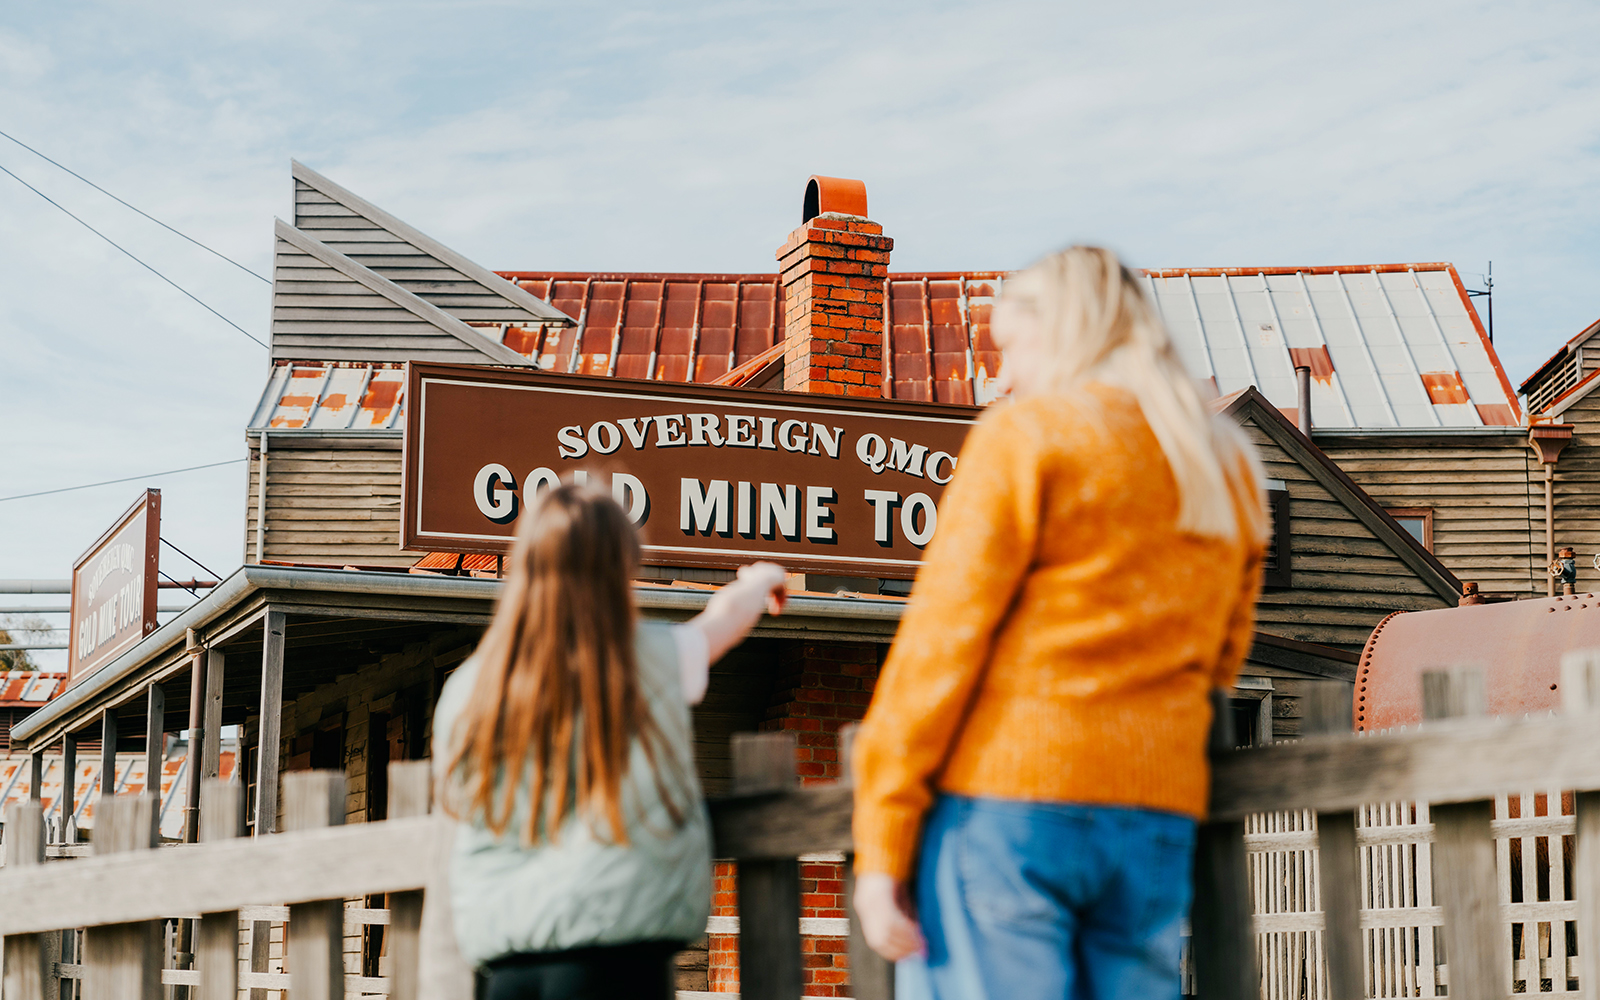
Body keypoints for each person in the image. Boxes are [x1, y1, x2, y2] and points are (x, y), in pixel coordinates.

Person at [850, 246, 1267, 1000]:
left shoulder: (1029, 437)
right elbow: (1222, 660)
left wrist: (882, 847)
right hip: (1152, 818)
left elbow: (939, 649)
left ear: (1066, 331)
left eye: (1009, 348)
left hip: (1010, 807)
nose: (1002, 377)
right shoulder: (1229, 466)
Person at [432, 482, 787, 1000]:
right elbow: (721, 622)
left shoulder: (468, 687)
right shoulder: (649, 656)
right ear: (621, 568)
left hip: (505, 963)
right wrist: (759, 580)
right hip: (614, 956)